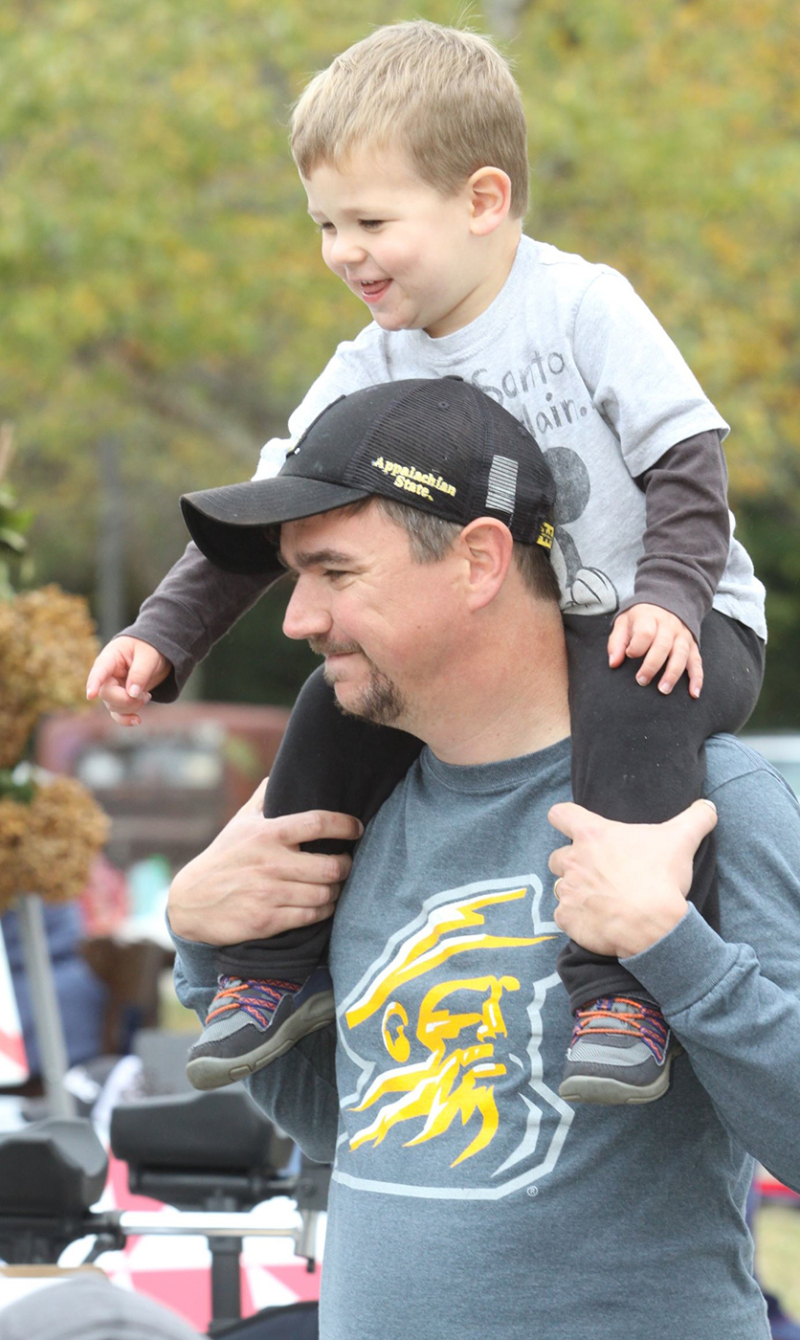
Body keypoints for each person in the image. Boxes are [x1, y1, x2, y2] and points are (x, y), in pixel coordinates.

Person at [86, 21, 766, 1101]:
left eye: (369, 221)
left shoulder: (581, 306)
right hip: (534, 633)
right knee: (326, 706)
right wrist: (159, 635)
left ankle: (620, 990)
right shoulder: (370, 363)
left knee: (633, 693)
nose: (341, 252)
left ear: (481, 200)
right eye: (322, 224)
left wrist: (672, 597)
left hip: (675, 617)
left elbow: (686, 463)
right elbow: (271, 520)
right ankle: (272, 969)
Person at [167, 379, 800, 1340]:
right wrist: (209, 949)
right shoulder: (355, 810)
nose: (298, 619)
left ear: (478, 561)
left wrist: (672, 946)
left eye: (335, 574)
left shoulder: (707, 805)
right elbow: (354, 1123)